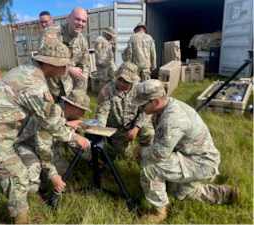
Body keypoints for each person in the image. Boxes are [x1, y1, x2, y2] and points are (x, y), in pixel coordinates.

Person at [0, 39, 89, 225]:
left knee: (18, 177)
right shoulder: (34, 83)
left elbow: (48, 113)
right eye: (65, 65)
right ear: (52, 63)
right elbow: (50, 124)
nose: (66, 70)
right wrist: (75, 138)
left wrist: (66, 122)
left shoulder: (26, 72)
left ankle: (21, 220)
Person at [132, 79, 239, 223]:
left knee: (150, 165)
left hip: (201, 162)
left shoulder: (172, 118)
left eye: (142, 104)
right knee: (177, 193)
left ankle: (158, 211)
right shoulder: (162, 109)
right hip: (190, 157)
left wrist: (140, 151)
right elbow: (161, 143)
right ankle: (224, 194)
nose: (140, 108)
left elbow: (159, 154)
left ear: (156, 101)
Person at [16, 90, 92, 192]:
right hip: (29, 147)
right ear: (75, 108)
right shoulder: (48, 116)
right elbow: (42, 147)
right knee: (32, 178)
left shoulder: (67, 117)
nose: (84, 114)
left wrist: (90, 157)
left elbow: (72, 141)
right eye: (84, 110)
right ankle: (33, 196)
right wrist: (53, 175)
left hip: (50, 148)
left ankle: (44, 174)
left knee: (64, 175)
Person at [96, 62, 154, 156]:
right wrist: (100, 134)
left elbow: (146, 112)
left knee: (149, 133)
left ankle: (143, 152)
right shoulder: (108, 90)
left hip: (136, 123)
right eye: (119, 79)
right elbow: (102, 113)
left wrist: (136, 128)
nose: (121, 84)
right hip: (117, 127)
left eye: (126, 82)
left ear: (133, 81)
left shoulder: (140, 90)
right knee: (122, 155)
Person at [39, 7, 89, 102]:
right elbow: (44, 58)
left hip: (68, 90)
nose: (80, 23)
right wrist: (68, 68)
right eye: (77, 19)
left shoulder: (83, 43)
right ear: (69, 18)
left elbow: (84, 70)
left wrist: (78, 96)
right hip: (49, 89)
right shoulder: (52, 33)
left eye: (83, 21)